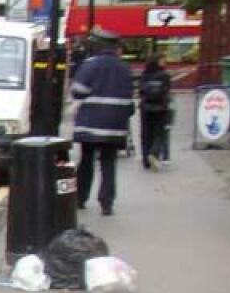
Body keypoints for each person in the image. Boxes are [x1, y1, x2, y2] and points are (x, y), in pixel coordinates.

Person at [71, 29, 134, 216]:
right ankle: (107, 203)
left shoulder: (91, 65)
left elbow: (78, 91)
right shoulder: (124, 67)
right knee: (108, 163)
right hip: (115, 125)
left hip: (91, 124)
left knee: (87, 161)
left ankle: (81, 198)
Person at [137, 54, 173, 169]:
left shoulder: (144, 74)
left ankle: (146, 161)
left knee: (146, 134)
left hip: (146, 108)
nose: (165, 62)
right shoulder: (165, 75)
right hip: (161, 108)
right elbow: (167, 91)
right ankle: (154, 153)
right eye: (163, 60)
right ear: (157, 61)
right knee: (160, 133)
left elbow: (141, 91)